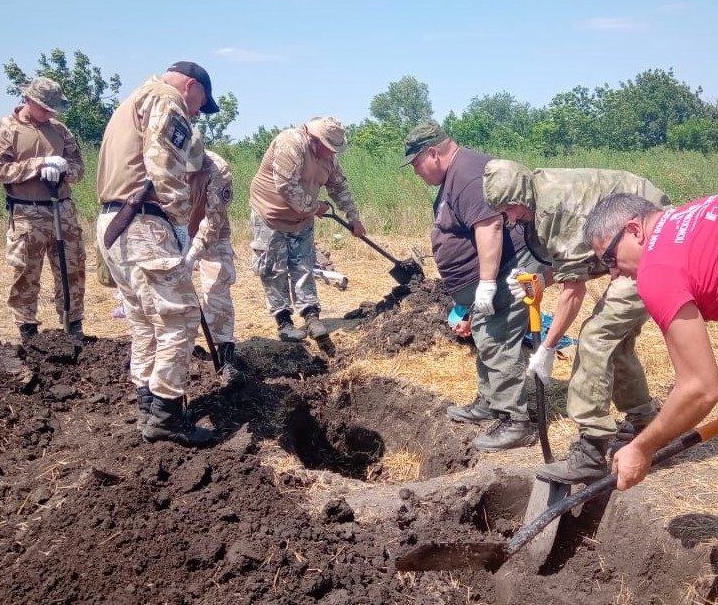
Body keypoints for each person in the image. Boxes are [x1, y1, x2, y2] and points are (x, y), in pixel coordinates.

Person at [583, 188, 718, 605]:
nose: (613, 274)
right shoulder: (689, 222)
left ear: (634, 229)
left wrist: (642, 447)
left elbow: (699, 388)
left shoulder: (656, 267)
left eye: (609, 259)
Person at [482, 159, 671, 482]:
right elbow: (575, 262)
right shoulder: (537, 194)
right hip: (629, 234)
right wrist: (541, 279)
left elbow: (574, 291)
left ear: (519, 198)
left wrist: (548, 347)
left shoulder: (554, 209)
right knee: (616, 339)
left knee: (596, 336)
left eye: (509, 210)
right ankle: (644, 424)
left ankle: (592, 449)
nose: (509, 219)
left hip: (649, 242)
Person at [96, 61, 220, 447]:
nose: (199, 110)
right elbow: (163, 162)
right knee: (179, 317)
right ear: (190, 85)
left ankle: (148, 408)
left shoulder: (131, 101)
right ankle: (166, 417)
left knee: (146, 321)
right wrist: (179, 218)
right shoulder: (167, 98)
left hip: (114, 222)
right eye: (202, 101)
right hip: (144, 222)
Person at [401, 121, 544, 452]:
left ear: (432, 153)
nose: (415, 172)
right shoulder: (458, 172)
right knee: (485, 335)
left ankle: (515, 423)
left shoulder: (466, 174)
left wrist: (487, 284)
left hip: (507, 271)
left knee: (497, 342)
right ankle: (489, 402)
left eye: (415, 164)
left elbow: (490, 225)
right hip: (491, 276)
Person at [0, 76, 86, 344]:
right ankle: (28, 331)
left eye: (52, 109)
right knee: (26, 272)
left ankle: (73, 325)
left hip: (63, 210)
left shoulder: (60, 131)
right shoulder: (4, 130)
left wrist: (64, 169)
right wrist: (38, 165)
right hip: (27, 213)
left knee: (72, 268)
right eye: (44, 107)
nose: (49, 113)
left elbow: (78, 168)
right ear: (28, 100)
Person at [249, 116, 366, 343]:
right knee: (273, 269)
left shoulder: (328, 158)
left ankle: (311, 316)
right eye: (329, 147)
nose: (332, 153)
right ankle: (284, 322)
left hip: (302, 218)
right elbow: (285, 186)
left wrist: (354, 217)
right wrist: (315, 207)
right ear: (315, 139)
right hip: (271, 214)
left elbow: (339, 186)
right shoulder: (290, 143)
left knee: (304, 265)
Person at [183, 132, 240, 386]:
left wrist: (194, 252)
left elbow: (214, 219)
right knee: (173, 294)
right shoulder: (162, 161)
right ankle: (184, 350)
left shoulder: (218, 169)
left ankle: (224, 354)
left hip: (212, 235)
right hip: (174, 230)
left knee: (217, 289)